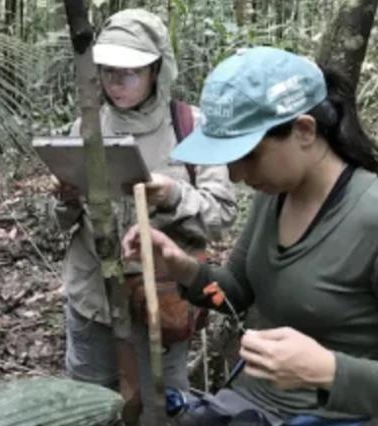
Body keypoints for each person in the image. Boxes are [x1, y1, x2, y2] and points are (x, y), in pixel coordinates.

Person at [122, 46, 378, 425]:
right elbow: (233, 294)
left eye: (249, 155)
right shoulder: (272, 198)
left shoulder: (369, 215)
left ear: (304, 130)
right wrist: (182, 268)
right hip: (248, 406)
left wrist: (328, 370)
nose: (237, 176)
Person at [49, 8, 238, 424]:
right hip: (92, 299)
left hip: (161, 301)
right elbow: (59, 226)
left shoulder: (191, 129)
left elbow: (223, 212)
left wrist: (172, 195)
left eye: (130, 72)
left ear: (156, 70)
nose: (116, 83)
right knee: (89, 407)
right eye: (108, 71)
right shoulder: (86, 128)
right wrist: (66, 199)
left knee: (162, 409)